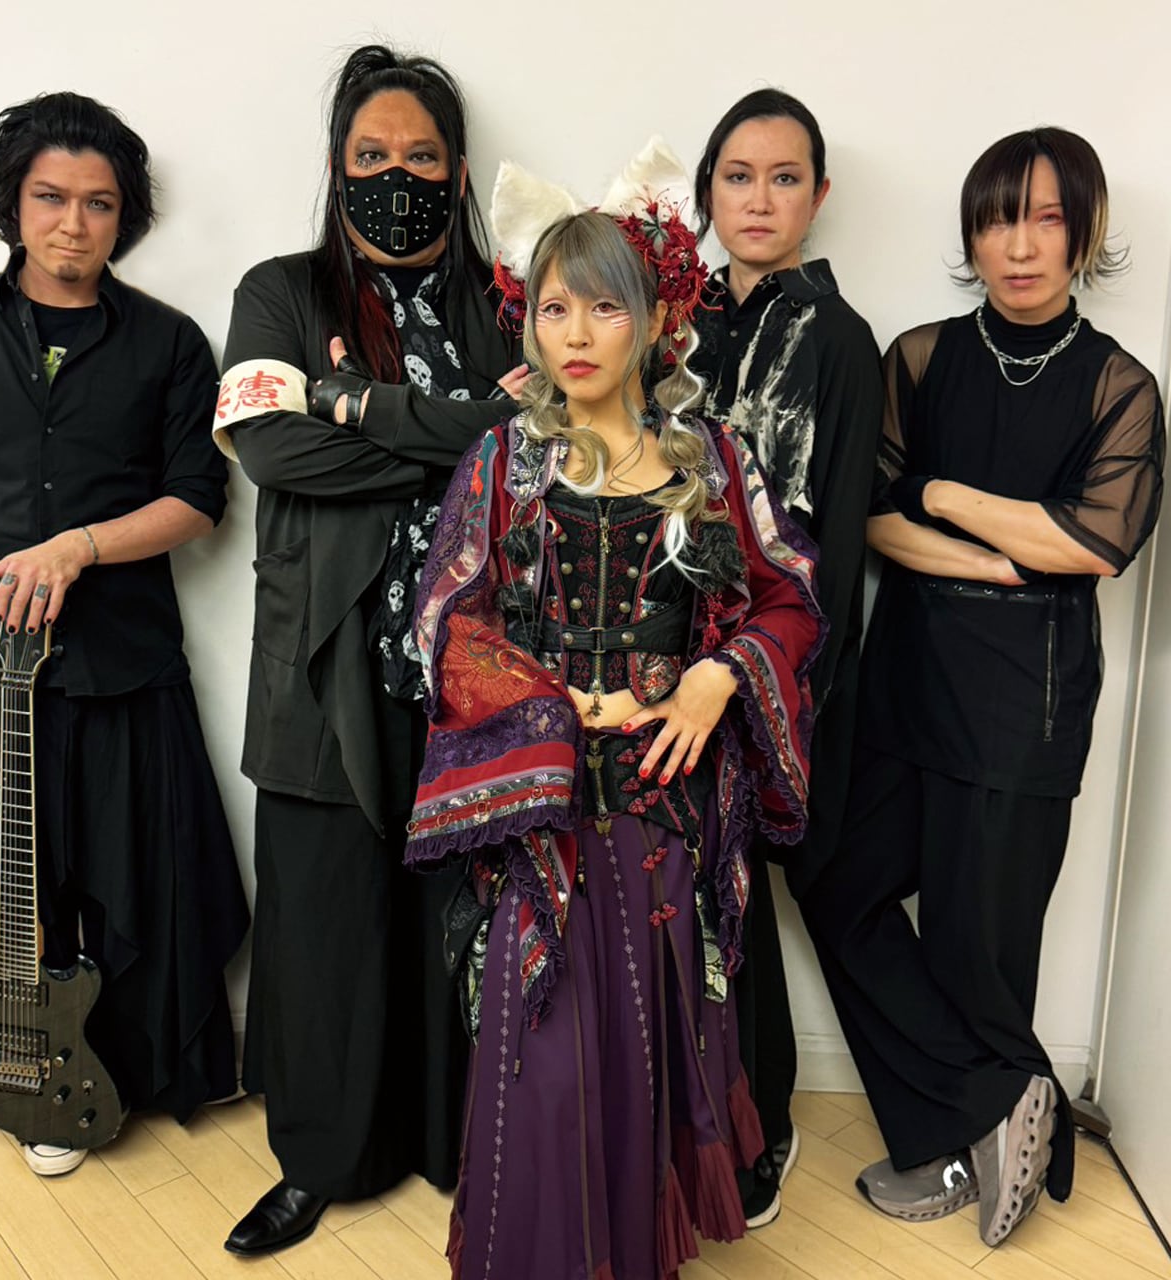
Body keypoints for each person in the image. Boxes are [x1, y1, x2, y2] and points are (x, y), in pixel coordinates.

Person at [404, 140, 824, 1279]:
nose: (576, 333)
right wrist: (547, 711)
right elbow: (445, 619)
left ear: (654, 317)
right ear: (528, 322)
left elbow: (791, 598)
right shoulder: (502, 461)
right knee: (539, 1059)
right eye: (554, 308)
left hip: (661, 805)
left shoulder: (713, 459)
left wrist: (716, 675)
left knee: (643, 1040)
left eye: (603, 306)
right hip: (538, 811)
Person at [800, 127, 1163, 1247]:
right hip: (905, 686)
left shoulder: (1119, 386)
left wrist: (947, 497)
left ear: (1083, 234)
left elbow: (1096, 543)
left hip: (1023, 708)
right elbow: (866, 514)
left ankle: (969, 1134)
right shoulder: (916, 358)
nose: (1020, 245)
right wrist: (1001, 557)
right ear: (972, 236)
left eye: (1046, 219)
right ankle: (993, 1103)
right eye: (999, 220)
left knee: (975, 951)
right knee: (835, 884)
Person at [0, 91, 249, 1175]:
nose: (73, 223)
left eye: (99, 203)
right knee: (14, 888)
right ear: (12, 203)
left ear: (123, 217)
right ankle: (35, 1079)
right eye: (51, 197)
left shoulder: (170, 343)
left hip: (121, 661)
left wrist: (79, 547)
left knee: (141, 876)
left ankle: (132, 1073)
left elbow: (199, 500)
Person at [213, 45, 523, 1256]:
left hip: (470, 672)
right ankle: (320, 1158)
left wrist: (349, 404)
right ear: (337, 167)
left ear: (459, 172)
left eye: (422, 156)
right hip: (322, 661)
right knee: (325, 916)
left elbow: (537, 448)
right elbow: (270, 448)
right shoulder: (280, 293)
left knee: (454, 913)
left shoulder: (506, 301)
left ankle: (452, 1142)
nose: (397, 177)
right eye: (371, 155)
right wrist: (457, 436)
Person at [690, 88, 883, 1227]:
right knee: (682, 892)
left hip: (771, 666)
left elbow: (837, 545)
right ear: (707, 191)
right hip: (663, 662)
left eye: (783, 177)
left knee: (743, 898)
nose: (758, 200)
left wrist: (788, 691)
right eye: (737, 176)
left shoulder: (839, 341)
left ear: (818, 195)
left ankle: (760, 1120)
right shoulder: (673, 322)